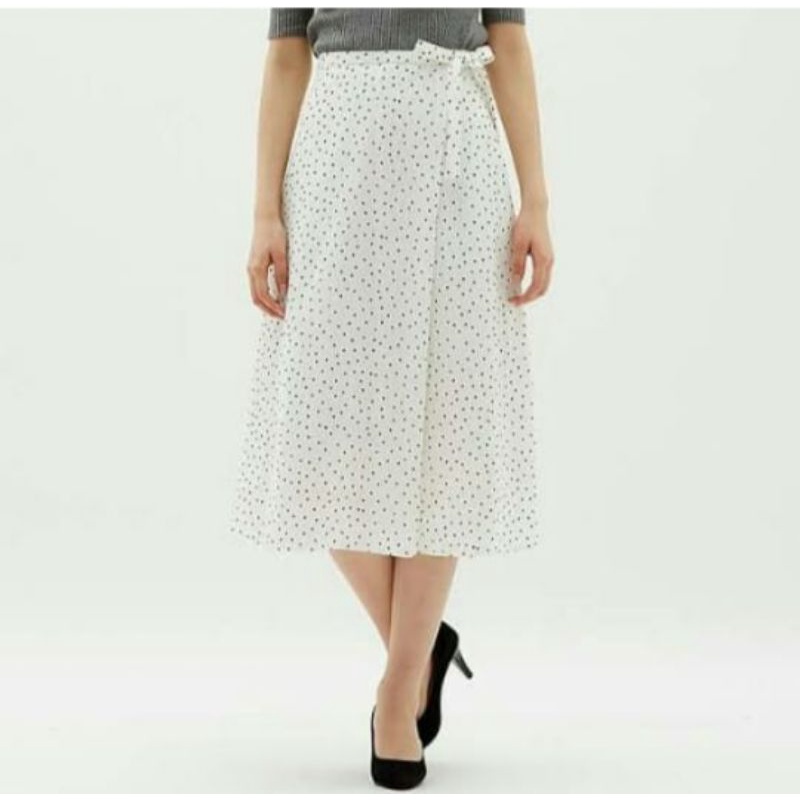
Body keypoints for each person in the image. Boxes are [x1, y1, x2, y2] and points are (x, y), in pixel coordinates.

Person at [230, 7, 554, 790]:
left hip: (457, 168)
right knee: (320, 436)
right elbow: (286, 55)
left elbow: (508, 42)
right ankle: (422, 646)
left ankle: (399, 690)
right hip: (337, 167)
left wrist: (536, 201)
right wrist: (265, 210)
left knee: (447, 426)